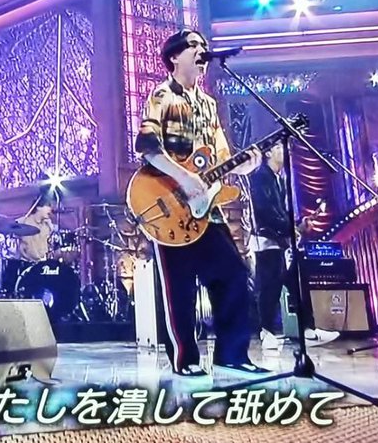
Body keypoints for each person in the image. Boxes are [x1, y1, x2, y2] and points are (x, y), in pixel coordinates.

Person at [135, 29, 265, 377]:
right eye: (194, 45)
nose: (202, 50)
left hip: (207, 207)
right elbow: (147, 147)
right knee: (179, 286)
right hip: (168, 201)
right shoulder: (162, 96)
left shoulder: (208, 104)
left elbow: (220, 155)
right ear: (174, 57)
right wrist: (184, 178)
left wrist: (241, 165)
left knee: (234, 273)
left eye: (204, 46)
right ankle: (185, 359)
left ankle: (232, 354)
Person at [249, 143, 340, 351]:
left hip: (280, 241)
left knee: (298, 283)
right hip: (266, 241)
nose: (284, 151)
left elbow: (280, 212)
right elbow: (265, 211)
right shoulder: (260, 177)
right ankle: (266, 332)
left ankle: (308, 330)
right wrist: (290, 228)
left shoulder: (279, 179)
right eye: (279, 148)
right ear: (268, 153)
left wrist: (298, 224)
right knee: (270, 287)